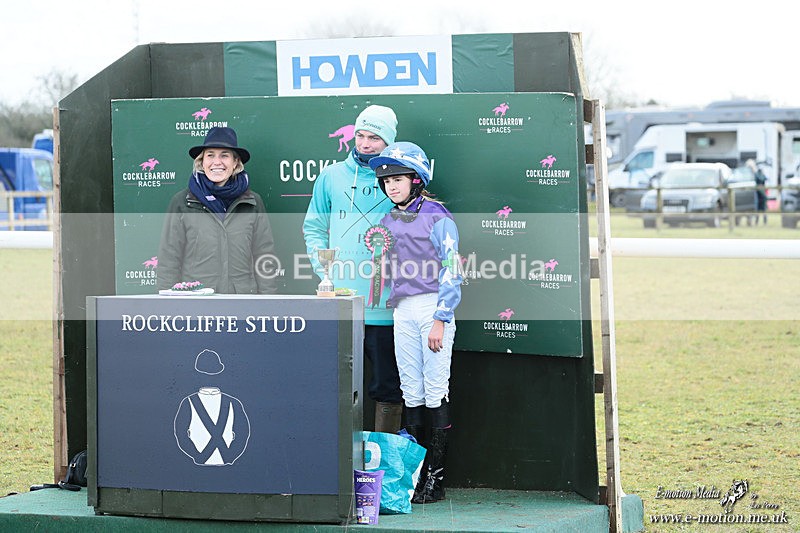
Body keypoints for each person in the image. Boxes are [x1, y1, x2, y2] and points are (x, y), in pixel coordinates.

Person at [368, 141, 463, 504]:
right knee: (411, 391)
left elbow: (453, 268)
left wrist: (441, 318)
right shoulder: (387, 220)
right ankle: (413, 476)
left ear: (416, 179)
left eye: (397, 178)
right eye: (386, 180)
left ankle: (436, 482)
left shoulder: (438, 216)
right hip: (402, 311)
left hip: (432, 309)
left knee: (435, 390)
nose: (391, 185)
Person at [302, 105, 403, 432]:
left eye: (374, 137)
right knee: (340, 387)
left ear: (388, 141)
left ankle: (385, 467)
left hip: (386, 308)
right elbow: (314, 226)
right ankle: (342, 464)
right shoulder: (331, 176)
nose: (365, 143)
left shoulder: (399, 179)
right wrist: (325, 272)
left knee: (388, 388)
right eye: (360, 135)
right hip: (342, 303)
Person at [157, 126, 277, 294]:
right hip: (197, 305)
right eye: (210, 155)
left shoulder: (252, 202)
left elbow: (264, 256)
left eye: (225, 155)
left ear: (235, 162)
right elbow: (168, 259)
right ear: (202, 161)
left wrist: (268, 302)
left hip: (242, 303)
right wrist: (167, 305)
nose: (217, 162)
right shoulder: (182, 202)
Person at [751, 160, 768, 225]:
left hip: (762, 194)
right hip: (758, 194)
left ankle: (764, 222)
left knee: (763, 209)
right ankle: (757, 222)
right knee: (758, 209)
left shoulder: (760, 175)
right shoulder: (757, 174)